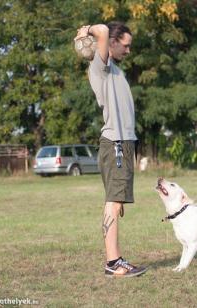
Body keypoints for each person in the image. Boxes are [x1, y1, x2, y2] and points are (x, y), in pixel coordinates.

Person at [74, 22, 147, 278]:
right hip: (115, 143)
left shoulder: (114, 69)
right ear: (112, 42)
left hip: (124, 142)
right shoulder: (100, 66)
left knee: (116, 203)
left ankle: (116, 260)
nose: (128, 50)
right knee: (113, 204)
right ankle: (113, 262)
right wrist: (88, 30)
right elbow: (103, 30)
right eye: (125, 45)